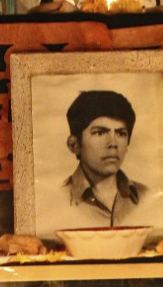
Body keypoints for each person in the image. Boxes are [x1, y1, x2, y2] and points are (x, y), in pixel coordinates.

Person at [57, 90, 149, 230]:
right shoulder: (57, 200)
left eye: (121, 133)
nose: (113, 143)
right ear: (74, 145)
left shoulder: (145, 196)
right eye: (99, 133)